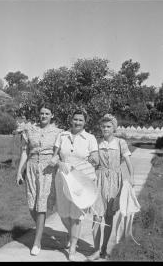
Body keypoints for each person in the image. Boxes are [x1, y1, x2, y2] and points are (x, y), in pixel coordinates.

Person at [49, 108, 99, 261]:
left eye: (81, 120)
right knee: (63, 212)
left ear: (85, 122)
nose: (77, 122)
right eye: (75, 119)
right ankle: (72, 236)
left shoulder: (90, 138)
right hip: (62, 177)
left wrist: (86, 164)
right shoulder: (62, 135)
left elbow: (95, 159)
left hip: (80, 180)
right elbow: (55, 155)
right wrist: (57, 162)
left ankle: (72, 247)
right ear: (71, 120)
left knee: (76, 215)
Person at [15, 102, 62, 256]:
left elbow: (58, 152)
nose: (43, 116)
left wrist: (56, 159)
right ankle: (41, 229)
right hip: (31, 167)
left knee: (41, 205)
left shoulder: (58, 132)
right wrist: (19, 171)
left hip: (47, 169)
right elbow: (24, 151)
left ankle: (37, 242)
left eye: (47, 113)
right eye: (42, 113)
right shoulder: (30, 130)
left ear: (52, 115)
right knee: (31, 204)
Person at [88, 114, 134, 260]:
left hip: (115, 180)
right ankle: (96, 250)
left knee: (109, 216)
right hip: (99, 180)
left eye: (108, 126)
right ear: (100, 128)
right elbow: (92, 161)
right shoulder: (97, 142)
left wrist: (131, 177)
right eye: (103, 126)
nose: (105, 129)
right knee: (96, 215)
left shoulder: (120, 143)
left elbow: (127, 161)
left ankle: (104, 249)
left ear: (114, 128)